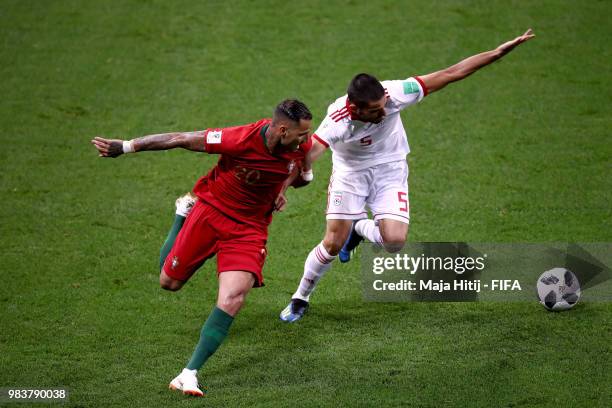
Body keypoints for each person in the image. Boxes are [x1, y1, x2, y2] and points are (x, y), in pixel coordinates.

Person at [280, 29, 536, 322]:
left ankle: (360, 229)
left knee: (394, 242)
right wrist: (285, 187)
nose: (384, 111)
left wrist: (498, 52)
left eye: (384, 104)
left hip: (390, 170)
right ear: (356, 108)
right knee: (332, 244)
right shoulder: (338, 121)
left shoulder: (395, 94)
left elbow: (452, 73)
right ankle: (301, 297)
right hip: (350, 175)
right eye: (375, 110)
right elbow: (307, 155)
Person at [91, 99, 313, 396]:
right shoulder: (240, 138)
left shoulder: (299, 147)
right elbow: (179, 139)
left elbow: (296, 171)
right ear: (283, 130)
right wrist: (127, 146)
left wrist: (281, 190)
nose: (306, 139)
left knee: (233, 297)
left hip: (249, 229)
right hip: (211, 212)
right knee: (169, 282)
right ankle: (182, 214)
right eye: (301, 134)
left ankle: (188, 373)